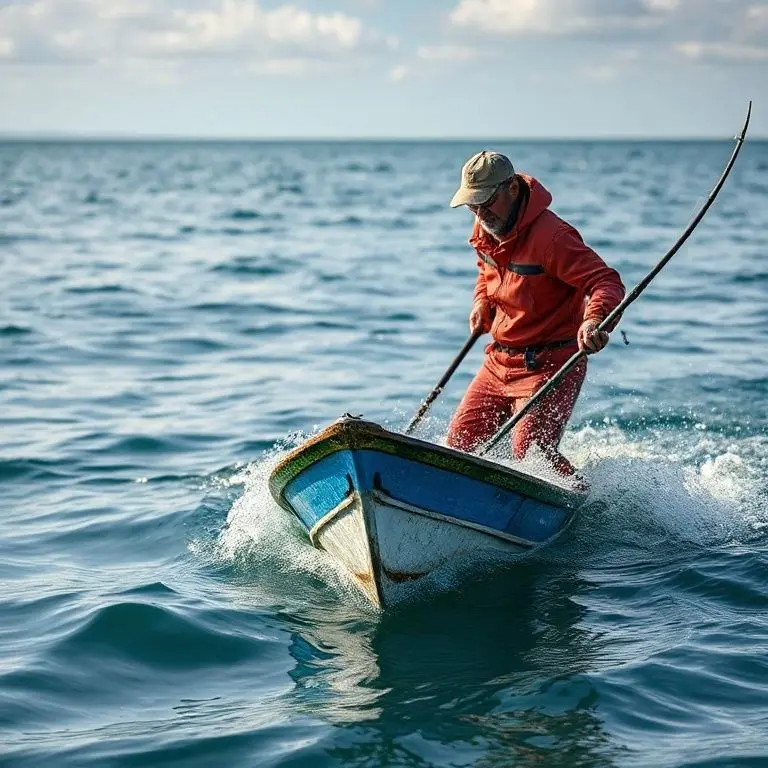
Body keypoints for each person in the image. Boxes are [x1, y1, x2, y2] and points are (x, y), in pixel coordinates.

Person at [446, 150, 625, 478]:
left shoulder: (552, 238)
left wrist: (594, 320)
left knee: (531, 455)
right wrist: (481, 302)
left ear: (512, 189)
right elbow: (486, 269)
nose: (480, 212)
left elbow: (605, 281)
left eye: (486, 202)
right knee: (457, 445)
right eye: (473, 204)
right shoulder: (485, 224)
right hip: (498, 362)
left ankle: (582, 500)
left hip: (551, 363)